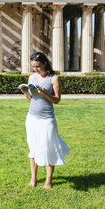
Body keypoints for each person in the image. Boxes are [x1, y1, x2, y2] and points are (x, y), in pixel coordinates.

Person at [20, 52, 70, 189]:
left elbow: (57, 100)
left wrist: (45, 93)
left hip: (47, 119)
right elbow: (32, 99)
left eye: (37, 66)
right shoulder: (32, 77)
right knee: (33, 148)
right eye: (33, 66)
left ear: (45, 63)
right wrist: (25, 92)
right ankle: (33, 179)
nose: (35, 69)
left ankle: (48, 181)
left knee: (49, 148)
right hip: (31, 118)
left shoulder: (53, 78)